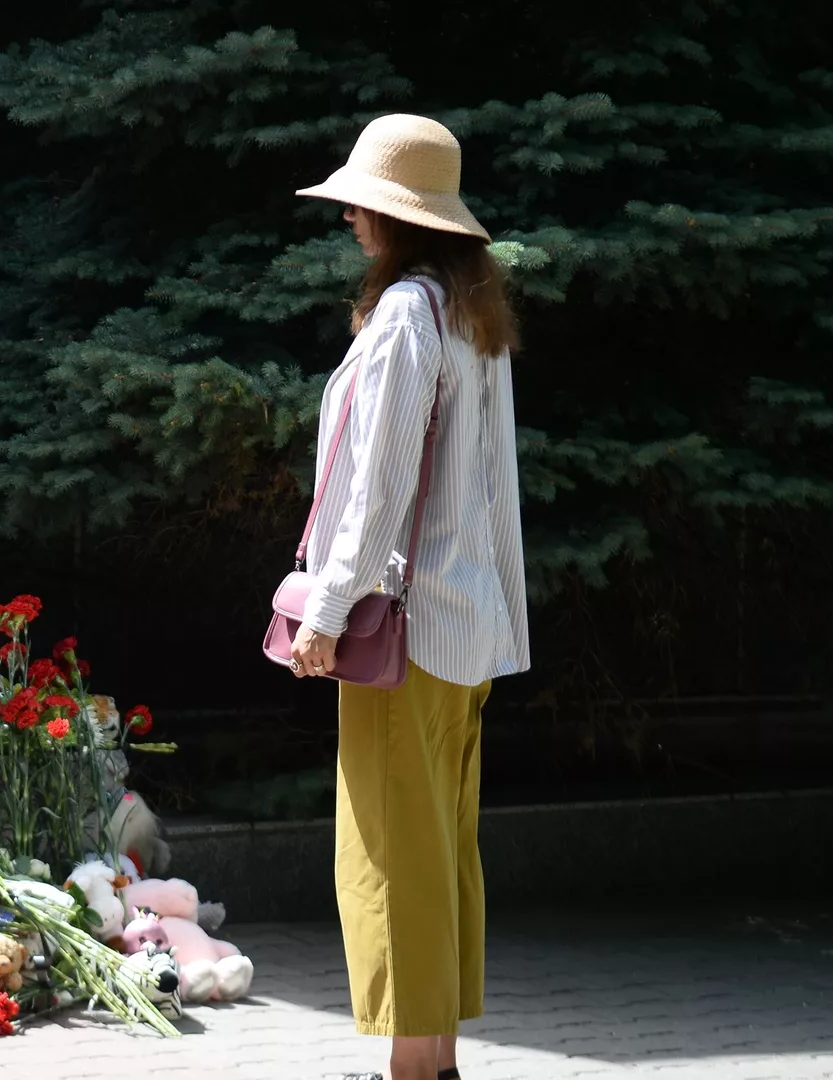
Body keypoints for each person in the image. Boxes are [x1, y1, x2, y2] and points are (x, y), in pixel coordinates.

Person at [285, 114, 531, 1080]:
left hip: (406, 631)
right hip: (470, 629)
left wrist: (326, 611)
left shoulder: (403, 319)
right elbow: (493, 489)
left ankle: (406, 1072)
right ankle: (433, 1064)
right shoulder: (476, 316)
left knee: (390, 857)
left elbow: (376, 485)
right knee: (440, 851)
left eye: (363, 201)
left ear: (400, 219)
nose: (350, 214)